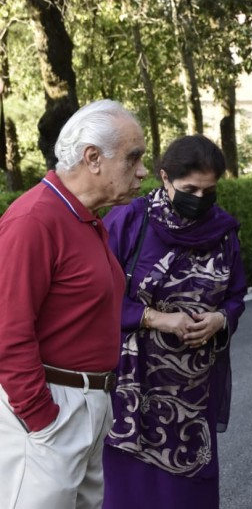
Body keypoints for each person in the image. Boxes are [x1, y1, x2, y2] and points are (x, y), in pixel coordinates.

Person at [0, 99, 147, 508]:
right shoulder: (34, 219)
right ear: (93, 158)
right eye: (133, 157)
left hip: (86, 404)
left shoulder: (83, 217)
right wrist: (42, 420)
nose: (142, 170)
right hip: (51, 408)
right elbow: (8, 331)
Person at [101, 134, 247, 509]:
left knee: (188, 492)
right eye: (190, 190)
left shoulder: (223, 231)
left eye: (209, 191)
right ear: (165, 178)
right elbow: (97, 298)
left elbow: (235, 295)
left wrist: (220, 319)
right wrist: (155, 318)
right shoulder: (129, 222)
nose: (199, 199)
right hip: (132, 388)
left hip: (193, 393)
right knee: (131, 492)